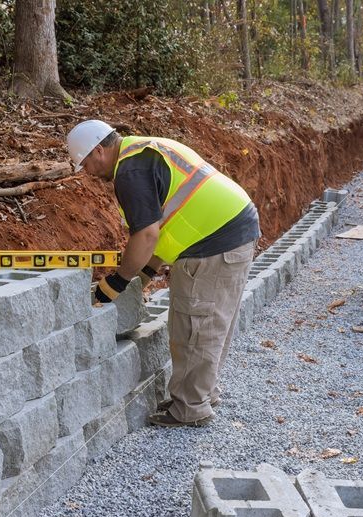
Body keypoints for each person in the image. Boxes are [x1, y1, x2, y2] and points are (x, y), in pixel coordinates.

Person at [66, 120, 260, 427]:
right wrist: (145, 272)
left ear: (99, 151)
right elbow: (169, 217)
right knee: (205, 323)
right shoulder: (141, 151)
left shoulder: (130, 172)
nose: (87, 172)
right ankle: (198, 394)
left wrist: (117, 282)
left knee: (196, 326)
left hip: (214, 243)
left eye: (85, 163)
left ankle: (191, 408)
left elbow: (146, 235)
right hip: (228, 232)